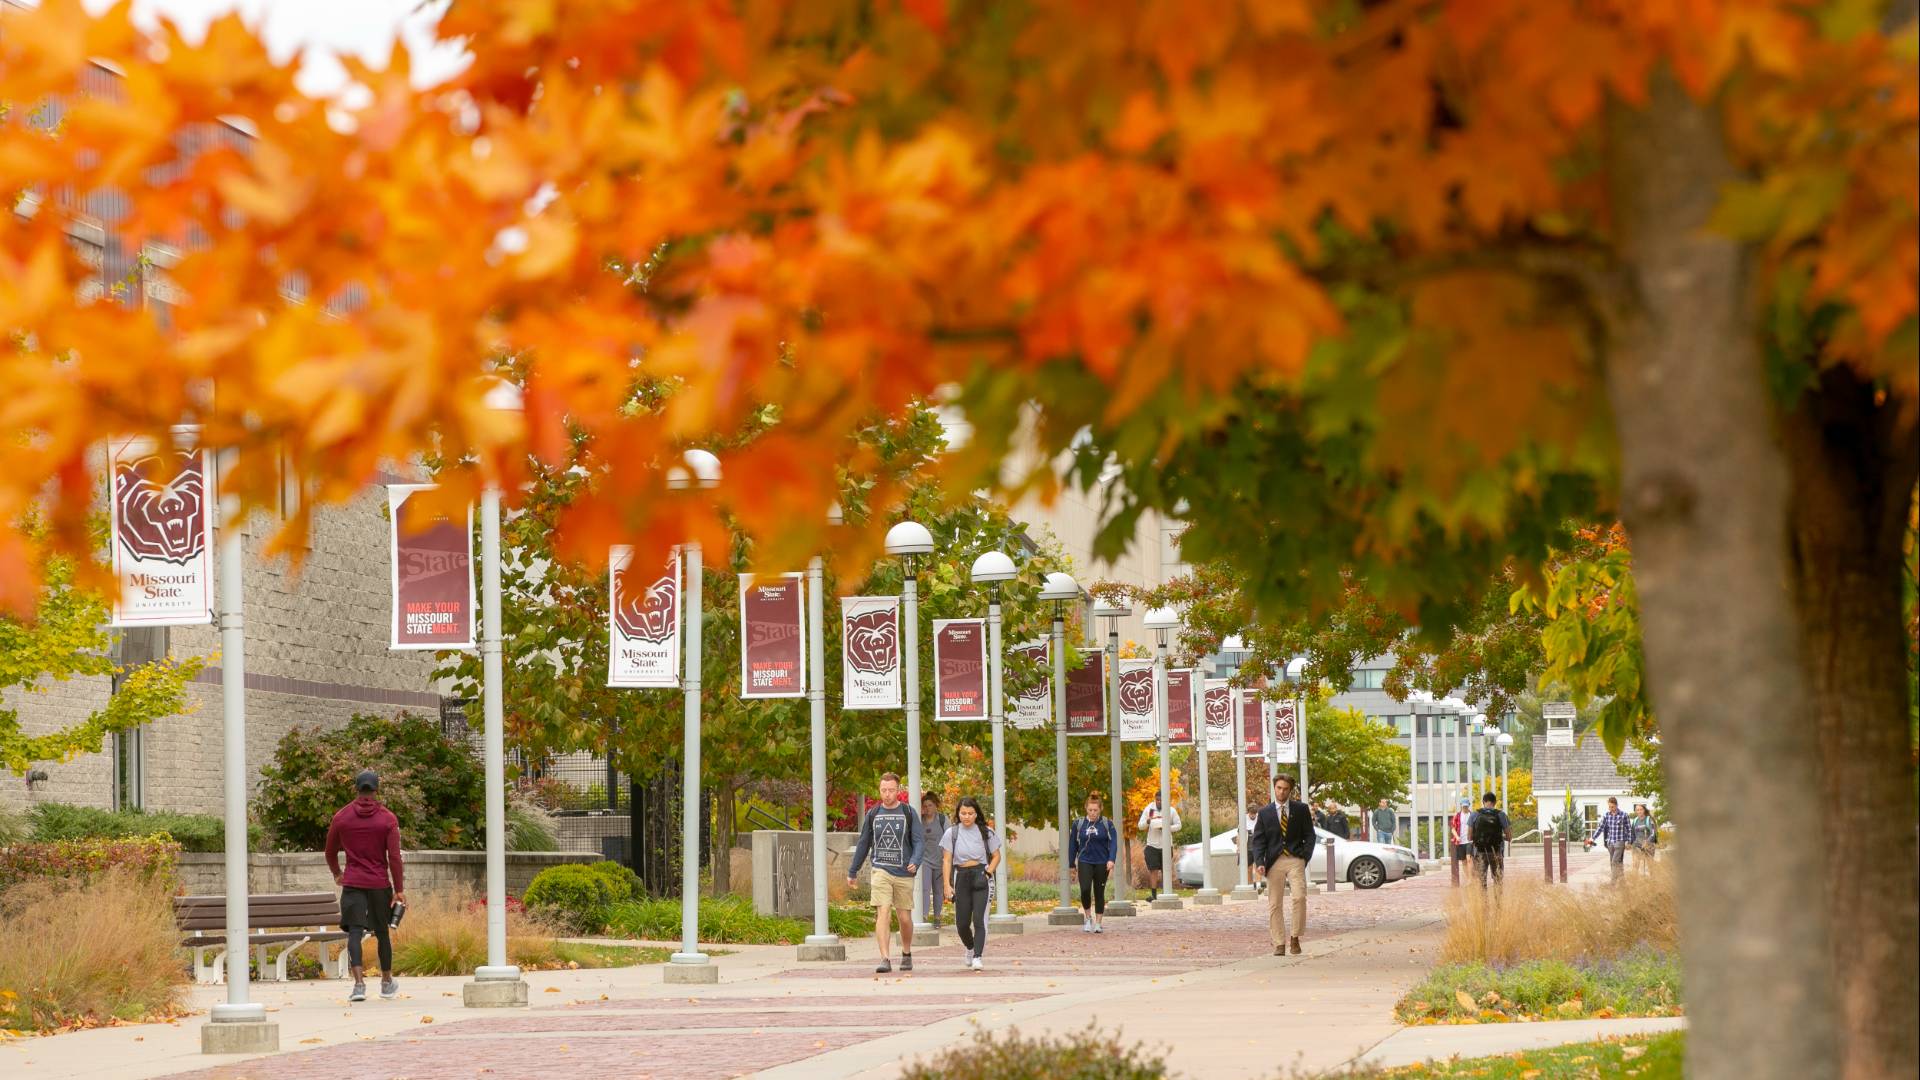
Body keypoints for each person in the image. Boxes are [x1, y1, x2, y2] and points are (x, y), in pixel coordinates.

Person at [323, 770, 406, 1003]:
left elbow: (329, 852)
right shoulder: (387, 818)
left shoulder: (342, 817)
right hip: (379, 883)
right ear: (376, 789)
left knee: (355, 932)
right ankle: (386, 982)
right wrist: (399, 889)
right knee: (382, 933)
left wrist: (337, 873)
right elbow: (395, 857)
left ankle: (359, 985)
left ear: (357, 788)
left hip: (353, 883)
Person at [847, 772, 924, 973]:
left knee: (904, 917)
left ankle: (906, 952)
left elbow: (918, 841)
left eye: (891, 790)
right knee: (883, 911)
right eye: (883, 790)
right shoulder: (873, 814)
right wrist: (852, 870)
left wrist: (915, 861)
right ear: (879, 790)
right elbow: (863, 843)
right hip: (880, 869)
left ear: (898, 791)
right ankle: (885, 958)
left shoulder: (908, 812)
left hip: (904, 871)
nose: (887, 794)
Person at [1251, 774, 1315, 955]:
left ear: (1290, 790)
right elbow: (1258, 841)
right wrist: (1260, 862)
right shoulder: (1264, 812)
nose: (1281, 792)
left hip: (1295, 859)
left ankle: (1295, 937)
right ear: (1274, 788)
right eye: (1279, 788)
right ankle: (1279, 942)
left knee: (1299, 897)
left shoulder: (1301, 809)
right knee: (1275, 903)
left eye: (1285, 788)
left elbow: (1310, 835)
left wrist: (1304, 857)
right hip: (1274, 861)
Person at [940, 796, 1002, 971]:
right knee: (961, 923)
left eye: (970, 813)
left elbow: (997, 856)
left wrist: (988, 872)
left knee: (979, 920)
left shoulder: (986, 832)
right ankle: (969, 947)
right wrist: (947, 884)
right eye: (963, 813)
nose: (966, 816)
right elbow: (946, 860)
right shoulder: (951, 833)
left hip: (981, 874)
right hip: (961, 876)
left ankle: (977, 956)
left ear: (976, 814)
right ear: (958, 814)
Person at [1067, 792, 1118, 933]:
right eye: (1090, 810)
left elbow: (1114, 843)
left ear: (1100, 809)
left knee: (1099, 891)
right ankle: (1088, 917)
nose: (1093, 813)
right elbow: (1072, 844)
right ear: (1086, 809)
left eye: (1095, 810)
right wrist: (1071, 864)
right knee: (1084, 890)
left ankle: (1098, 923)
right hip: (1085, 861)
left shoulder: (1107, 824)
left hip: (1102, 862)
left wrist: (1111, 859)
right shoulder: (1079, 824)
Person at [1135, 794, 1182, 901]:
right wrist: (1148, 821)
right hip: (1152, 845)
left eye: (1161, 800)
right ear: (1155, 800)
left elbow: (1179, 825)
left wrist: (1167, 828)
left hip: (1166, 845)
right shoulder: (1150, 809)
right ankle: (1154, 895)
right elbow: (1140, 825)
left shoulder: (1171, 810)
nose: (1159, 802)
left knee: (1166, 869)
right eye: (1157, 800)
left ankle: (1167, 892)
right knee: (1153, 870)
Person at [1467, 792, 1511, 886]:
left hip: (1480, 852)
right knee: (1498, 881)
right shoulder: (1501, 815)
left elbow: (1469, 837)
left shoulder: (1474, 815)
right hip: (1496, 852)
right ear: (1495, 803)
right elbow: (1509, 837)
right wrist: (1500, 836)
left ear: (1483, 802)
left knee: (1481, 882)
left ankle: (1484, 901)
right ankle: (1498, 900)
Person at [1584, 796, 1632, 882]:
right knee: (1617, 863)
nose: (1611, 808)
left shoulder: (1624, 815)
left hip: (1619, 842)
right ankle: (1622, 883)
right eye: (1609, 807)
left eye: (1612, 807)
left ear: (1616, 805)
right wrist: (1592, 839)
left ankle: (1612, 884)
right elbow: (1600, 828)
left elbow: (1629, 829)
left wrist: (1629, 841)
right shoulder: (1606, 815)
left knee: (1614, 862)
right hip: (1610, 843)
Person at [918, 792, 949, 928]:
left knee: (938, 891)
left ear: (936, 806)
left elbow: (950, 838)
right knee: (925, 888)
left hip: (940, 860)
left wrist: (948, 858)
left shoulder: (943, 819)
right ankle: (924, 916)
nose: (928, 808)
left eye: (930, 805)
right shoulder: (919, 820)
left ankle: (937, 917)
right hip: (925, 860)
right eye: (925, 806)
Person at [1629, 802, 1659, 873]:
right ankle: (1635, 882)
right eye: (1637, 810)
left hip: (1648, 845)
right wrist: (1630, 843)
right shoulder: (1635, 820)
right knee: (1635, 865)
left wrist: (1647, 842)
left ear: (1644, 810)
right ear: (1636, 811)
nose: (1639, 811)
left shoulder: (1649, 820)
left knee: (1650, 866)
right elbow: (1632, 833)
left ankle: (1653, 882)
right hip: (1637, 845)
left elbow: (1653, 833)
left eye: (1641, 809)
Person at [1449, 798, 1473, 870]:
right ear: (1461, 806)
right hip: (1461, 841)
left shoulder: (1472, 815)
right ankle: (1467, 878)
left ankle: (1470, 878)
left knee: (1469, 859)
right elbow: (1453, 829)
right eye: (1463, 806)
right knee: (1464, 861)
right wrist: (1457, 837)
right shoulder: (1457, 815)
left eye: (1466, 806)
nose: (1465, 808)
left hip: (1470, 841)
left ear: (1468, 806)